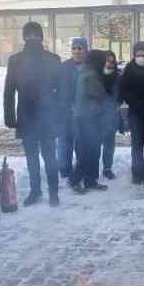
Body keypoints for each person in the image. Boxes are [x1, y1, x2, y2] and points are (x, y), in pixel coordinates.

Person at [3, 21, 62, 207]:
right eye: (29, 36)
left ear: (41, 37)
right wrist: (9, 116)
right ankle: (35, 191)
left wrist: (59, 115)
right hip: (26, 115)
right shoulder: (16, 60)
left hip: (48, 115)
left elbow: (61, 90)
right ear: (24, 37)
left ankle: (54, 192)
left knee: (50, 156)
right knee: (31, 157)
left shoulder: (53, 59)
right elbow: (9, 90)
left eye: (36, 35)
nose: (33, 39)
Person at [70, 49, 109, 194]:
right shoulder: (91, 75)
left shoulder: (87, 71)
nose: (105, 63)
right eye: (103, 60)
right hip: (88, 118)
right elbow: (96, 95)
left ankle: (90, 180)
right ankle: (75, 180)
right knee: (87, 151)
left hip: (85, 117)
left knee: (91, 151)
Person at [121, 42, 144, 185]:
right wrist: (135, 103)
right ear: (134, 55)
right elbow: (124, 90)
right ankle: (137, 173)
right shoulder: (129, 69)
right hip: (136, 112)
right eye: (138, 55)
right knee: (137, 144)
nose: (141, 57)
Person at [58, 37, 88, 180]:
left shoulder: (90, 67)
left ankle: (81, 168)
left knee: (82, 142)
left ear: (85, 50)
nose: (76, 51)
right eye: (74, 48)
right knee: (65, 141)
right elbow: (58, 88)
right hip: (66, 111)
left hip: (85, 112)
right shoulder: (64, 67)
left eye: (80, 48)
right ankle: (65, 169)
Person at [100, 51, 122, 180]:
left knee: (109, 143)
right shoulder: (97, 74)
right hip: (97, 114)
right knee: (94, 143)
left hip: (112, 114)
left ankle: (107, 168)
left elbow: (122, 92)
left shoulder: (118, 76)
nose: (109, 63)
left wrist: (119, 103)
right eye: (107, 60)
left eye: (112, 61)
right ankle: (92, 168)